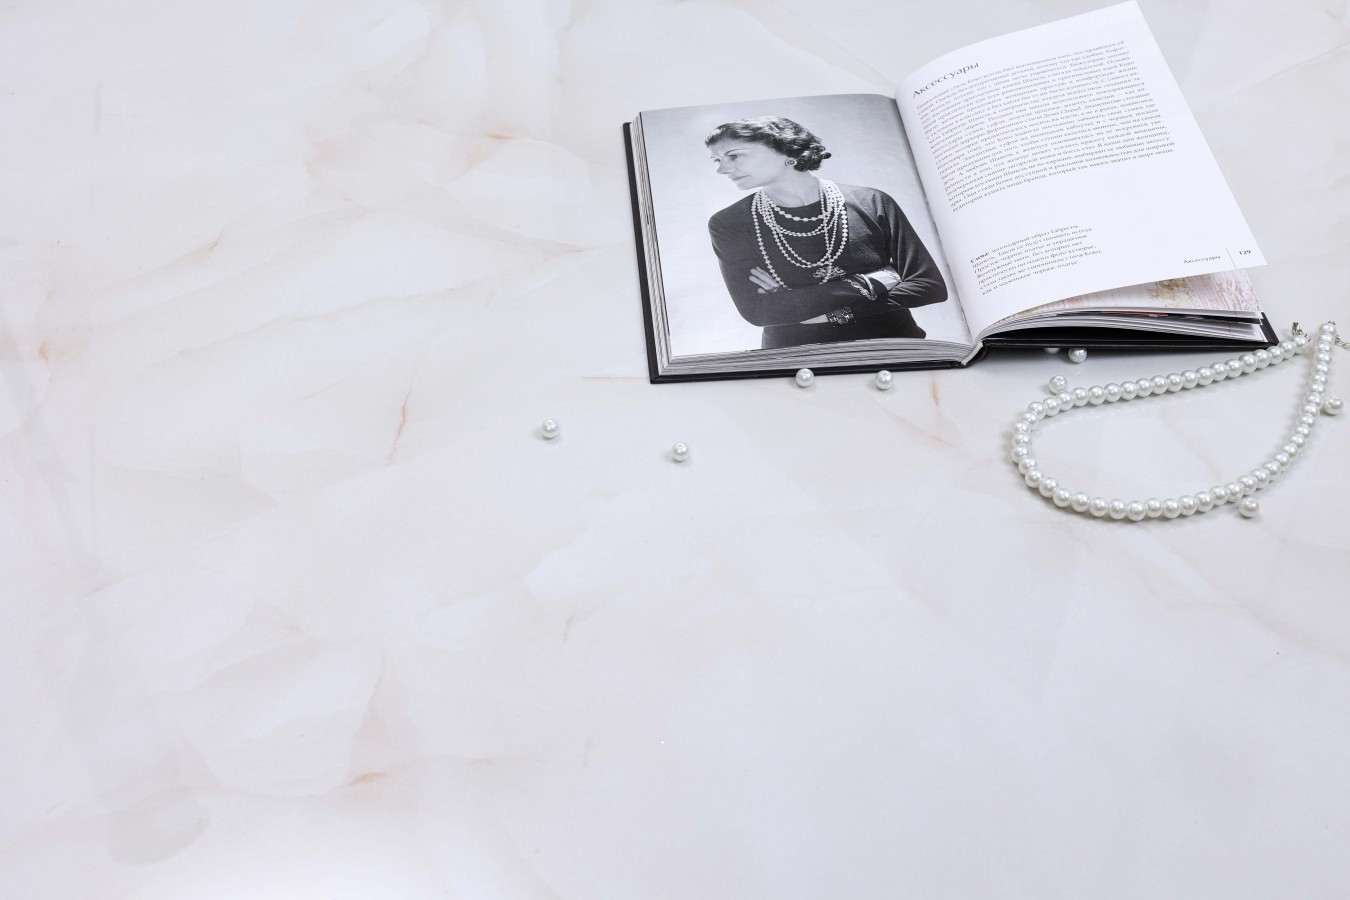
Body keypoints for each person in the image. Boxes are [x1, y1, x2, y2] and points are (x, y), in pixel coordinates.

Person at [705, 116, 947, 350]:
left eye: (734, 155)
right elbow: (759, 312)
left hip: (893, 344)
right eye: (717, 160)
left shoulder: (871, 202)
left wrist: (813, 306)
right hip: (797, 356)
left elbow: (928, 286)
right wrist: (871, 282)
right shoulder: (729, 223)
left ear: (785, 150)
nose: (722, 169)